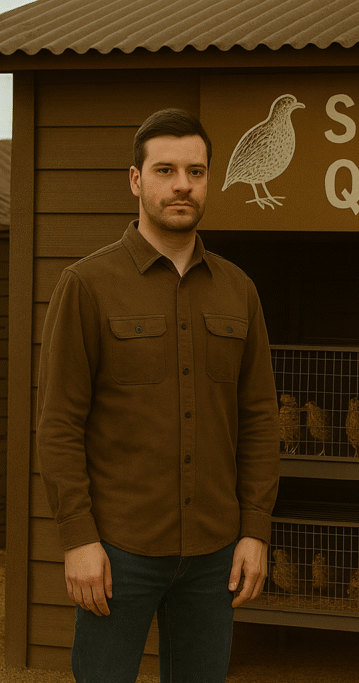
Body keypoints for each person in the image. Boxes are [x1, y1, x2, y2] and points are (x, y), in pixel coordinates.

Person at [36, 108, 280, 682]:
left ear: (208, 181)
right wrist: (78, 540)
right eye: (166, 170)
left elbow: (260, 419)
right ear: (135, 180)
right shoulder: (86, 286)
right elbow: (59, 424)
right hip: (117, 550)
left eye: (195, 172)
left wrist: (255, 529)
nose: (182, 185)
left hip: (215, 554)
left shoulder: (239, 290)